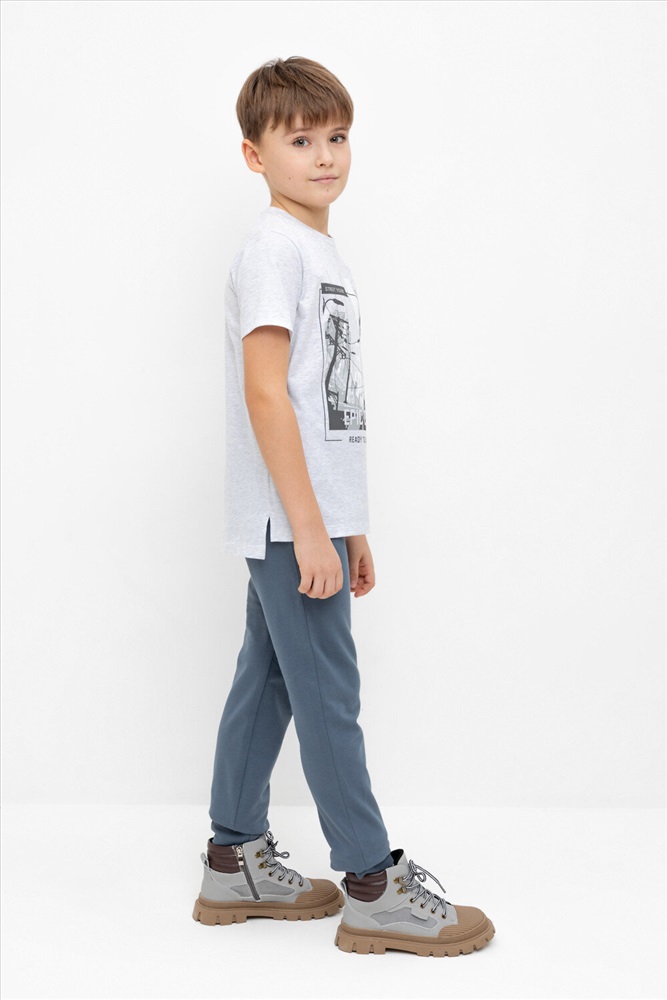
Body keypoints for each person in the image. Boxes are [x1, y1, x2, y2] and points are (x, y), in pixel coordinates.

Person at [192, 55, 495, 958]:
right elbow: (265, 393)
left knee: (270, 681)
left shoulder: (318, 251)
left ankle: (233, 859)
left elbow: (327, 407)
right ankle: (371, 885)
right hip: (291, 522)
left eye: (336, 136)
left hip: (310, 518)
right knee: (328, 693)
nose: (324, 155)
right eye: (299, 140)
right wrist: (310, 528)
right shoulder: (273, 250)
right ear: (254, 155)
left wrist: (348, 523)